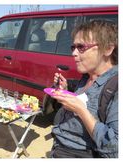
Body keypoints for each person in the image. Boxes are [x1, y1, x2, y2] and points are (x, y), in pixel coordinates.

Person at [50, 20, 118, 158]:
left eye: (81, 47)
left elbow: (115, 148)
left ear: (108, 49)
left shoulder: (116, 87)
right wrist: (66, 88)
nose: (74, 53)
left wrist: (81, 110)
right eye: (73, 47)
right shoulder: (87, 77)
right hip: (59, 148)